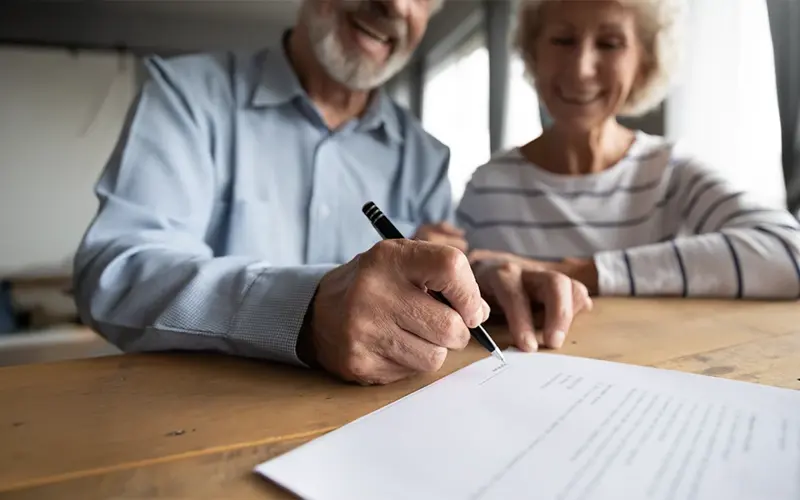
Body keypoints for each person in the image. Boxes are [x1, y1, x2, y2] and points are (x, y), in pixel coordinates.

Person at [73, 0, 593, 386]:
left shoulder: (426, 156)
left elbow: (434, 285)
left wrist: (481, 286)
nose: (394, 3)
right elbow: (116, 273)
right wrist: (304, 310)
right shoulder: (185, 97)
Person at [459, 0, 800, 327]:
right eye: (563, 40)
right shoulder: (487, 185)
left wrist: (582, 272)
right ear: (534, 51)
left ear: (644, 63)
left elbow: (790, 252)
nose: (581, 69)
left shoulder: (671, 171)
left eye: (609, 44)